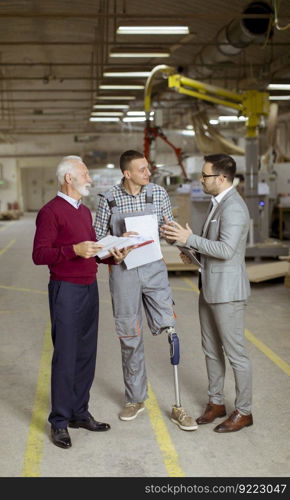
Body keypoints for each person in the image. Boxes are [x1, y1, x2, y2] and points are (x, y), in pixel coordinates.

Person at [32, 155, 131, 449]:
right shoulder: (50, 212)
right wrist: (73, 249)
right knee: (66, 354)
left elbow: (92, 251)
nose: (89, 178)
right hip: (66, 290)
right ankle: (59, 421)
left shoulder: (84, 212)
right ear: (69, 178)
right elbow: (40, 255)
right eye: (85, 173)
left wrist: (113, 251)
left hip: (89, 288)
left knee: (87, 352)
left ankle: (78, 412)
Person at [94, 149, 196, 431]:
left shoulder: (159, 194)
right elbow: (98, 238)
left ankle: (178, 405)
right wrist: (115, 245)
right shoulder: (109, 198)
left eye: (148, 169)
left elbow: (168, 228)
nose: (148, 173)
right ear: (127, 173)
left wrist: (185, 248)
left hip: (154, 269)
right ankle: (135, 398)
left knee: (170, 329)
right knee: (129, 335)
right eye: (142, 169)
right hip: (123, 272)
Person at [161, 154, 253, 433]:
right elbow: (216, 248)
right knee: (211, 350)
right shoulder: (217, 205)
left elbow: (226, 250)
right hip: (210, 288)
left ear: (222, 178)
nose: (201, 180)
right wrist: (193, 251)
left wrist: (191, 239)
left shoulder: (234, 207)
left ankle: (244, 411)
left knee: (236, 354)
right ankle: (216, 402)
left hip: (228, 293)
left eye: (205, 176)